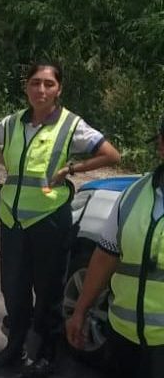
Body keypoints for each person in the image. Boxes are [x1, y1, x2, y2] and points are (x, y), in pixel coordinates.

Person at [0, 62, 121, 377]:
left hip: (49, 219)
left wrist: (70, 170)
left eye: (48, 84)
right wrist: (10, 164)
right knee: (13, 289)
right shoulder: (14, 122)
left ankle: (46, 355)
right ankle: (14, 349)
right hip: (13, 218)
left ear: (59, 89)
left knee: (48, 292)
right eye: (35, 83)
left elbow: (112, 154)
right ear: (26, 87)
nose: (40, 90)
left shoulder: (71, 124)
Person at [65, 118, 164, 378]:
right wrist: (80, 310)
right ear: (160, 145)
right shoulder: (134, 194)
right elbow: (104, 256)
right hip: (123, 340)